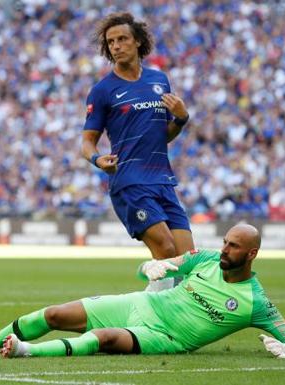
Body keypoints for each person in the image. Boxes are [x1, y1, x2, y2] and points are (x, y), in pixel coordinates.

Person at [0, 224, 285, 358]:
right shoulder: (207, 258)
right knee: (54, 314)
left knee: (103, 338)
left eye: (234, 246)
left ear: (252, 254)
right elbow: (155, 269)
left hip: (165, 337)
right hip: (142, 303)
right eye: (225, 242)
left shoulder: (255, 302)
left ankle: (26, 351)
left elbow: (284, 332)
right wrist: (147, 268)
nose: (225, 249)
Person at [81, 13, 194, 289]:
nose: (116, 46)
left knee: (189, 263)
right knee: (166, 251)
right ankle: (152, 324)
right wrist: (97, 159)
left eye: (122, 39)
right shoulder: (103, 90)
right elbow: (86, 142)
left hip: (162, 180)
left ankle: (159, 320)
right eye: (110, 42)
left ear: (138, 41)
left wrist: (180, 119)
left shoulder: (159, 80)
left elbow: (162, 135)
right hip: (129, 181)